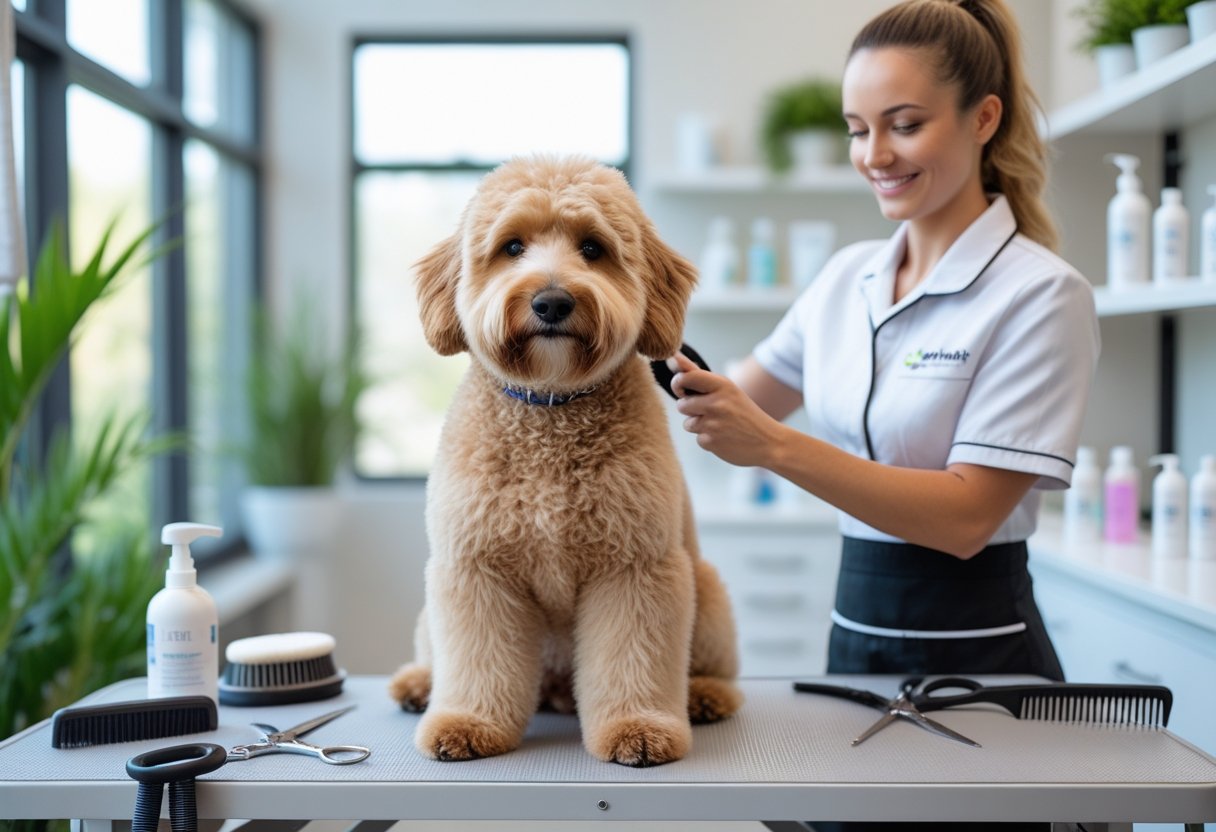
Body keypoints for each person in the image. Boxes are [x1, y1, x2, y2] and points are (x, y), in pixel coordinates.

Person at [670, 0, 1099, 696]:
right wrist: (626, 322)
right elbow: (735, 404)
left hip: (981, 657)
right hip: (854, 641)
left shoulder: (1041, 295)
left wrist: (775, 447)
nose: (874, 155)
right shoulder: (848, 277)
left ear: (983, 118)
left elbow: (966, 517)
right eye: (857, 130)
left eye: (905, 125)